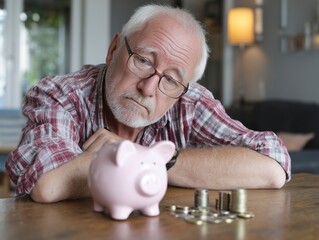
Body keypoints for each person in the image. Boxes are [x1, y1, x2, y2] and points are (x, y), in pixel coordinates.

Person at [6, 4, 291, 203]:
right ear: (113, 49)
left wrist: (141, 155)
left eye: (170, 79)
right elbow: (48, 183)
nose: (148, 88)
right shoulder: (60, 93)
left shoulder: (188, 101)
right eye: (142, 61)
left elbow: (273, 164)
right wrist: (150, 164)